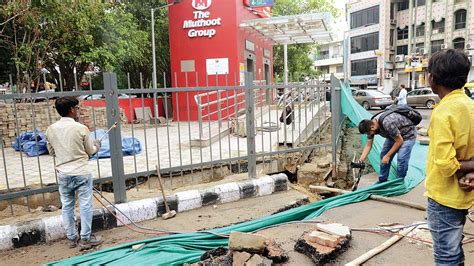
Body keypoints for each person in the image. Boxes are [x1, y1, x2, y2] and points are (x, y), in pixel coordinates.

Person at [424, 49, 474, 266]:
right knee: (454, 247)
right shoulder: (470, 106)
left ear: (432, 79)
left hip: (443, 197)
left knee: (446, 255)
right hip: (464, 195)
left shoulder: (443, 112)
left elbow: (445, 165)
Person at [46, 97, 103, 250]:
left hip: (63, 173)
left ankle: (72, 238)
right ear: (71, 109)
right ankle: (85, 239)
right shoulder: (81, 128)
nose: (77, 110)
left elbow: (51, 152)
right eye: (77, 108)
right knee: (85, 205)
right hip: (81, 172)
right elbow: (90, 151)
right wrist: (97, 145)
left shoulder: (50, 129)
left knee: (67, 206)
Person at [356, 106, 418, 183]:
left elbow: (399, 141)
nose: (369, 135)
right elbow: (368, 145)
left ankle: (399, 182)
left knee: (401, 158)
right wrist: (361, 159)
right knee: (383, 155)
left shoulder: (387, 123)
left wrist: (388, 156)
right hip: (393, 135)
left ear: (372, 127)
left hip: (408, 135)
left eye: (368, 133)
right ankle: (383, 180)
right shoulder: (371, 127)